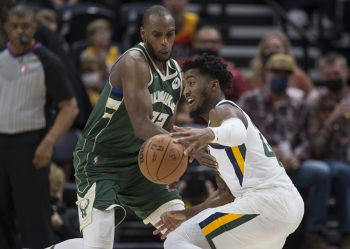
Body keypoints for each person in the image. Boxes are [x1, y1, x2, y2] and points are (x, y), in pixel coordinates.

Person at [48, 5, 192, 249]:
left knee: (185, 231)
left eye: (170, 34)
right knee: (99, 245)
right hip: (100, 159)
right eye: (157, 35)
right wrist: (190, 145)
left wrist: (173, 170)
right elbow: (141, 125)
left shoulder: (175, 73)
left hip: (142, 162)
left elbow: (166, 130)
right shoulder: (133, 62)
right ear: (143, 34)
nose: (165, 42)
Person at [154, 55, 304, 249]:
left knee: (178, 241)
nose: (187, 91)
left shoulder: (224, 109)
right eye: (184, 85)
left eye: (191, 83)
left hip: (266, 202)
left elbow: (237, 131)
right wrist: (185, 215)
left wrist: (206, 135)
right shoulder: (216, 130)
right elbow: (226, 195)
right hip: (279, 208)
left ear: (213, 85)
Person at [0, 4, 79, 249]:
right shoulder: (1, 57)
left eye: (25, 26)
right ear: (6, 27)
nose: (19, 31)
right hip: (1, 144)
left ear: (34, 28)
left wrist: (48, 142)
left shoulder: (47, 60)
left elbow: (70, 107)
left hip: (31, 147)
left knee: (34, 221)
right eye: (14, 26)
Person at [240, 53, 335, 249]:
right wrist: (265, 154)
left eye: (285, 73)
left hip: (290, 166)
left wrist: (296, 156)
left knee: (321, 172)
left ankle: (315, 234)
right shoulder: (249, 101)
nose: (280, 76)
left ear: (291, 77)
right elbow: (238, 135)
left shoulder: (300, 106)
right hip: (259, 167)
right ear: (266, 73)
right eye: (275, 71)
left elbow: (307, 140)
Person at [308, 52, 350, 249]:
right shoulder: (317, 103)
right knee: (341, 172)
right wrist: (332, 118)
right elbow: (316, 147)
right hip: (330, 160)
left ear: (346, 72)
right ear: (322, 77)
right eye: (328, 75)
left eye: (336, 74)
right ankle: (342, 233)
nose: (333, 79)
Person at [249, 31, 317, 103]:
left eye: (277, 47)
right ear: (262, 51)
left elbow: (313, 97)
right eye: (268, 48)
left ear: (285, 50)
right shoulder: (253, 77)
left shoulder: (298, 75)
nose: (273, 51)